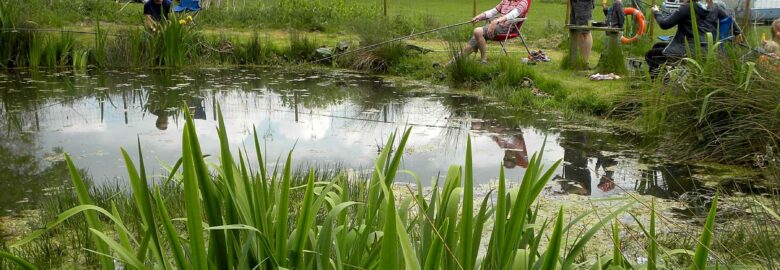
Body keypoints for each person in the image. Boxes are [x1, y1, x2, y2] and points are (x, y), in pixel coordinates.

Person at [644, 0, 737, 79]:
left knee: (651, 55)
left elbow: (664, 24)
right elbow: (730, 20)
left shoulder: (687, 8)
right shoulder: (716, 8)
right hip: (708, 51)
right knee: (658, 46)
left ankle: (662, 84)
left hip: (688, 52)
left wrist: (656, 13)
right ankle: (665, 76)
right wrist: (738, 32)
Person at [455, 0, 530, 64]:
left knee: (478, 31)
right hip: (497, 26)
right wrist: (480, 16)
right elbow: (493, 11)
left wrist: (496, 21)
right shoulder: (505, 1)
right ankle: (454, 61)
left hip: (506, 29)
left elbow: (513, 14)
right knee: (476, 37)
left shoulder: (523, 2)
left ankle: (483, 60)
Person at [570, 0, 595, 66]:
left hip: (584, 2)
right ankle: (574, 61)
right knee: (574, 29)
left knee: (584, 31)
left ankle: (584, 63)